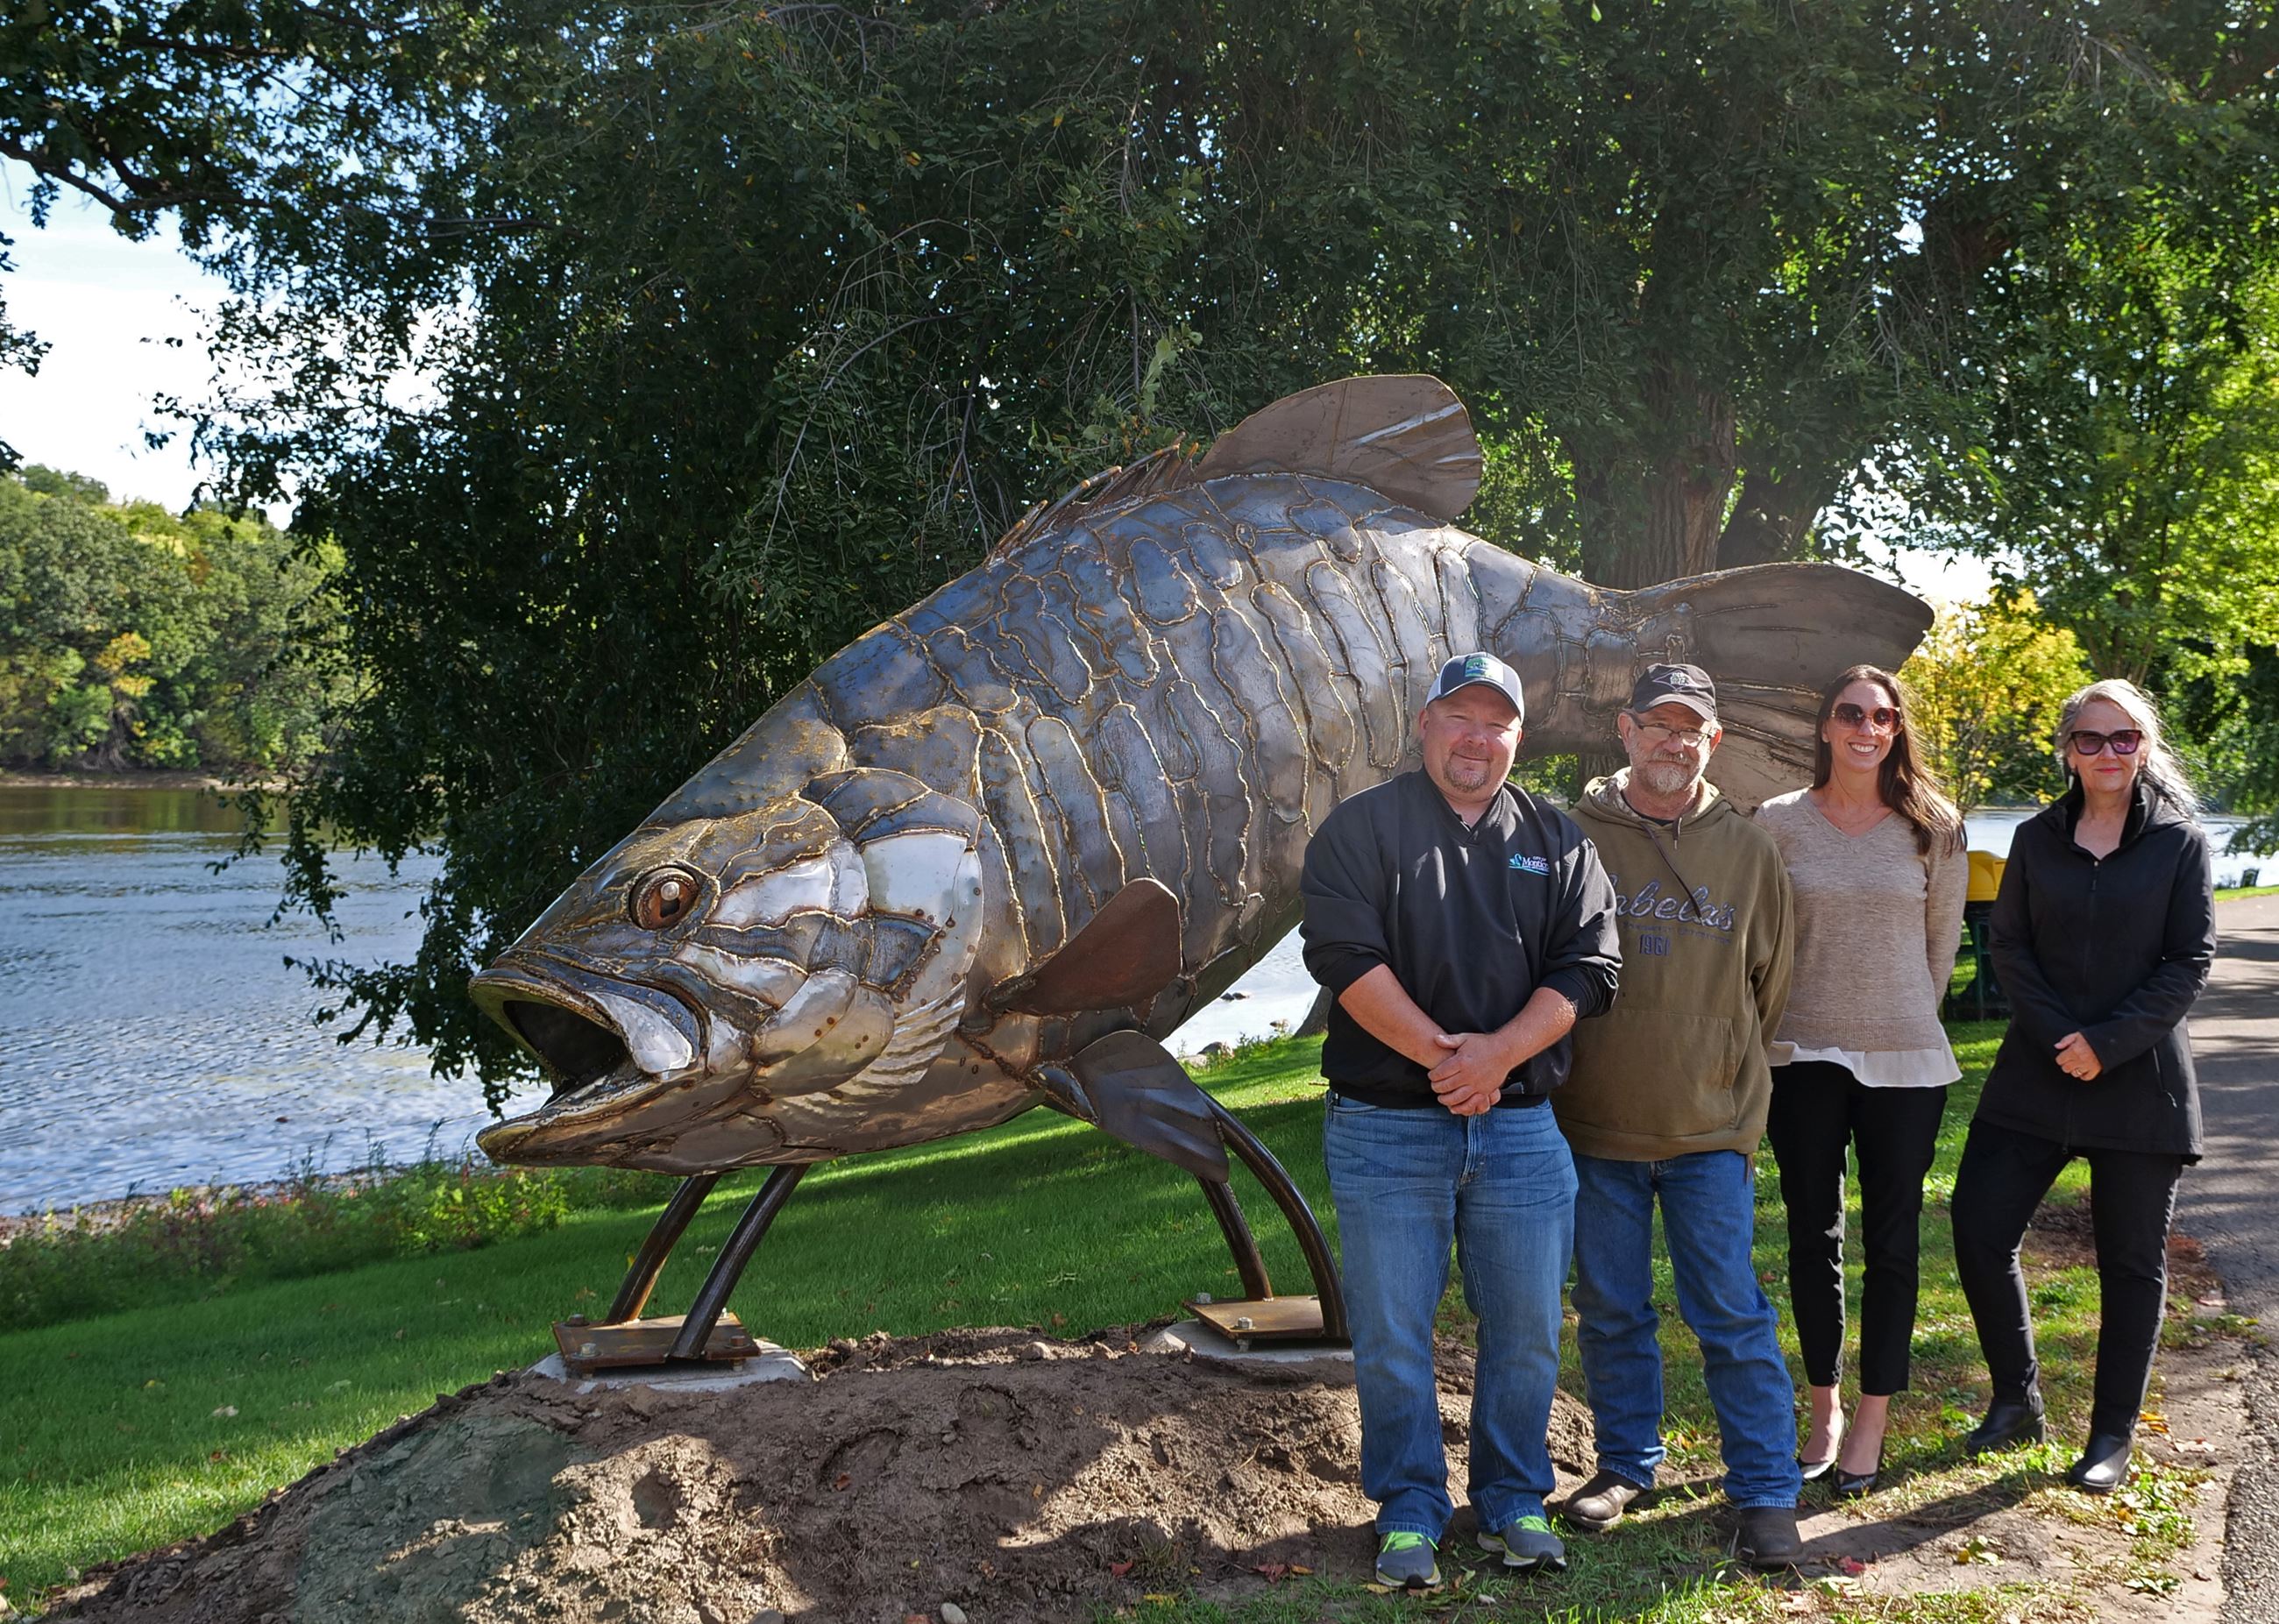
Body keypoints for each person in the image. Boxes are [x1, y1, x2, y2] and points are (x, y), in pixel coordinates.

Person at [1300, 650, 1621, 1591]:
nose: (1476, 738)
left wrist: (1498, 1057)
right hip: (1383, 1126)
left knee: (1523, 1328)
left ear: (1516, 735)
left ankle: (1513, 1496)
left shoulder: (1558, 839)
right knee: (1393, 1331)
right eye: (1459, 717)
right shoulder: (1361, 828)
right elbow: (1344, 957)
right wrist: (1453, 1060)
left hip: (1520, 1129)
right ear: (1422, 723)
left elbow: (1589, 970)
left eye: (1496, 722)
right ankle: (1407, 1508)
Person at [1553, 663, 1804, 1568]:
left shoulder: (1747, 849)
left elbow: (1769, 984)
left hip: (1709, 1129)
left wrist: (1716, 1059)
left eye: (1688, 728)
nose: (1671, 740)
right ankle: (1624, 1463)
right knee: (1611, 1309)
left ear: (1713, 741)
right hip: (1590, 1126)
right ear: (1623, 730)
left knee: (1729, 1311)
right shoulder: (1571, 834)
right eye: (1655, 725)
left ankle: (1766, 1489)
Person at [1949, 678, 2216, 1493]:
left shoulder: (2180, 844)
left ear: (2144, 747)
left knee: (2132, 1264)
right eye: (2091, 739)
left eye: (2124, 738)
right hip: (2038, 1069)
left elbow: (2189, 961)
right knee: (1978, 1225)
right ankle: (2017, 1399)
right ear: (2067, 749)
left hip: (2140, 1082)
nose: (2107, 752)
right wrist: (2061, 1036)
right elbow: (2011, 943)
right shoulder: (2035, 838)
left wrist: (2105, 1043)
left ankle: (2110, 1435)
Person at [1754, 666, 1968, 1497]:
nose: (1866, 729)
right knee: (1813, 1237)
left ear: (1896, 730)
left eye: (1882, 716)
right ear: (1824, 725)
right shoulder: (1775, 823)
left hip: (1906, 1062)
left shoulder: (1934, 827)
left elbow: (1939, 949)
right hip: (1802, 1055)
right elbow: (1762, 939)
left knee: (1895, 1243)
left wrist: (1901, 1012)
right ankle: (1824, 1408)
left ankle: (1873, 1419)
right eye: (1850, 713)